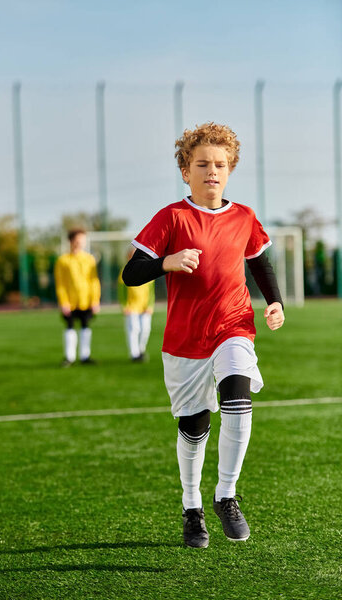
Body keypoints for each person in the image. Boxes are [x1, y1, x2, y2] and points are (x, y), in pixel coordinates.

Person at [122, 122, 285, 548]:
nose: (212, 170)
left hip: (233, 326)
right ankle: (191, 505)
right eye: (202, 164)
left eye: (220, 164)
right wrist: (167, 262)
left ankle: (226, 494)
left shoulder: (245, 217)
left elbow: (260, 263)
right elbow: (131, 273)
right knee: (194, 426)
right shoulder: (170, 217)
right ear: (185, 170)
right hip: (184, 340)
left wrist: (275, 301)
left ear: (229, 169)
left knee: (238, 393)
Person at [54, 228, 101, 366]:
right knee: (70, 326)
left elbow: (94, 281)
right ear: (71, 241)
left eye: (83, 240)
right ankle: (69, 357)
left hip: (86, 300)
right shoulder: (63, 260)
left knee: (85, 326)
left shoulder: (89, 259)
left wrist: (95, 300)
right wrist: (63, 302)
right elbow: (60, 283)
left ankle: (85, 356)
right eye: (78, 240)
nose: (80, 243)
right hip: (70, 301)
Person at [118, 247, 155, 362]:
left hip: (144, 307)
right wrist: (124, 306)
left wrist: (150, 305)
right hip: (132, 306)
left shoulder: (147, 270)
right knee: (134, 329)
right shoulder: (124, 271)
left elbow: (151, 291)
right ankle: (134, 354)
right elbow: (121, 291)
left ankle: (141, 350)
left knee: (145, 329)